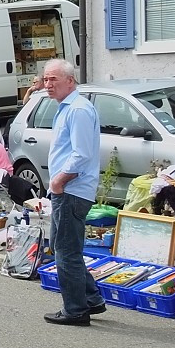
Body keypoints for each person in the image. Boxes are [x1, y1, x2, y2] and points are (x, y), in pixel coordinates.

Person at [42, 59, 105, 326]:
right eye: (45, 79)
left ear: (70, 80)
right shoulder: (67, 107)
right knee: (63, 247)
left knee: (66, 251)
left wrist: (59, 181)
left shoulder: (78, 110)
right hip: (66, 189)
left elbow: (82, 154)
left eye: (53, 79)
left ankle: (76, 310)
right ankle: (91, 298)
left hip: (71, 190)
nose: (47, 85)